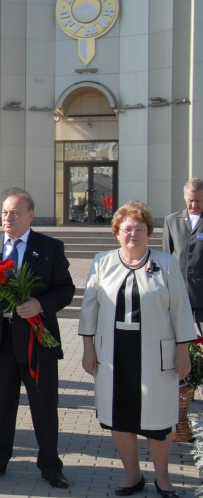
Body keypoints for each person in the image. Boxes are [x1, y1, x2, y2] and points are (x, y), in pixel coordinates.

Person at [80, 200, 195, 498]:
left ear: (149, 233)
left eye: (140, 229)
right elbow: (89, 310)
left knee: (158, 422)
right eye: (127, 229)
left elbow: (180, 311)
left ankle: (163, 479)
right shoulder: (102, 262)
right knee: (120, 417)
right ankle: (132, 476)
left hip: (155, 354)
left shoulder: (165, 263)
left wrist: (183, 352)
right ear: (117, 232)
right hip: (114, 354)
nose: (134, 234)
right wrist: (88, 349)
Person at [0, 188, 75, 488]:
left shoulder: (50, 247)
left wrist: (41, 304)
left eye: (15, 212)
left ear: (30, 214)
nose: (8, 217)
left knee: (43, 406)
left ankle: (51, 465)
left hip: (37, 341)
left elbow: (65, 289)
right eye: (4, 212)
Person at [163, 177, 203, 334]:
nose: (193, 205)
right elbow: (167, 255)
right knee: (177, 336)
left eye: (198, 200)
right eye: (190, 200)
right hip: (178, 291)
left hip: (201, 293)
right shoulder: (171, 220)